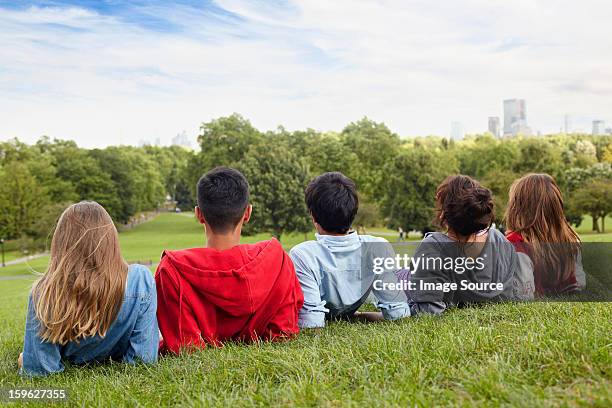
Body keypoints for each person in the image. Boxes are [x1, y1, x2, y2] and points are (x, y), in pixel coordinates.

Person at [155, 167, 303, 354]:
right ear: (248, 213)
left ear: (198, 214)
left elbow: (185, 346)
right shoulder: (277, 260)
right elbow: (284, 329)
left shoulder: (172, 270)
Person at [19, 202, 158, 376]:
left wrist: (25, 359)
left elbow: (40, 370)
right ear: (111, 238)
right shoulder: (141, 279)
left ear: (60, 242)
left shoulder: (45, 291)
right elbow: (144, 360)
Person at [289, 172, 410, 328]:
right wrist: (359, 316)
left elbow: (312, 323)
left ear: (313, 216)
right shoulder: (378, 247)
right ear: (353, 212)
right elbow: (398, 313)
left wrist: (359, 316)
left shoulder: (302, 255)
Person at [406, 175, 533, 316]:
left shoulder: (433, 248)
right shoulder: (498, 239)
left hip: (410, 286)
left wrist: (383, 316)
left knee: (399, 275)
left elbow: (427, 312)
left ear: (443, 215)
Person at [505, 173, 585, 296]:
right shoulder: (570, 239)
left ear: (517, 208)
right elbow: (579, 284)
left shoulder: (515, 245)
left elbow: (522, 296)